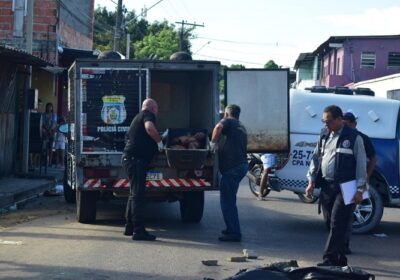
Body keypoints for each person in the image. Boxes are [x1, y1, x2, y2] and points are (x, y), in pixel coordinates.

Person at [305, 105, 367, 267]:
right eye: (324, 121)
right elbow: (316, 158)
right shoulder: (324, 135)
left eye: (329, 121)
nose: (326, 124)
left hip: (348, 186)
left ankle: (329, 259)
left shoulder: (354, 137)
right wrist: (311, 181)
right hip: (327, 185)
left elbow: (361, 164)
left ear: (340, 120)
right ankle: (340, 258)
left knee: (337, 222)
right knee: (329, 223)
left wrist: (361, 190)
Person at [122, 98, 164, 241]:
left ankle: (129, 227)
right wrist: (159, 142)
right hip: (136, 161)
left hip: (130, 159)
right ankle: (139, 231)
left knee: (133, 194)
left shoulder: (138, 117)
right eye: (157, 109)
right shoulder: (147, 115)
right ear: (152, 108)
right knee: (138, 196)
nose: (157, 112)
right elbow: (150, 128)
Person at [210, 104, 248, 242]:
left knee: (227, 202)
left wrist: (212, 143)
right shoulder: (240, 125)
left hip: (233, 168)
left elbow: (218, 127)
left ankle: (234, 233)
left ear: (226, 113)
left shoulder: (228, 121)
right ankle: (231, 227)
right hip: (241, 166)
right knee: (230, 200)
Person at [342, 112, 377, 254]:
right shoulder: (340, 136)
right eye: (343, 123)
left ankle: (344, 246)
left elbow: (373, 159)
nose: (345, 126)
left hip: (355, 182)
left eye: (347, 123)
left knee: (348, 216)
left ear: (354, 124)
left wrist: (366, 177)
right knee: (336, 217)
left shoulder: (362, 138)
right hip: (340, 181)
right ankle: (338, 245)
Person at [41, 102, 57, 167]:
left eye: (50, 107)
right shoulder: (44, 114)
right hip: (45, 133)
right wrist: (47, 130)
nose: (49, 108)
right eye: (48, 106)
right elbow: (42, 123)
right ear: (46, 107)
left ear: (52, 108)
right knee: (45, 148)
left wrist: (51, 130)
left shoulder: (54, 115)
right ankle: (45, 161)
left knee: (50, 148)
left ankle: (50, 162)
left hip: (52, 133)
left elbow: (54, 123)